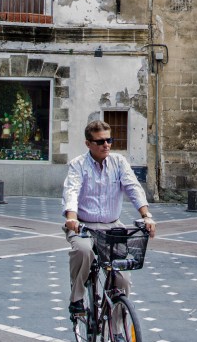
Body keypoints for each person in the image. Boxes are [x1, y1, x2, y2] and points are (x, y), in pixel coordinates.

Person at [62, 119, 156, 316]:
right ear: (88, 144)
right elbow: (72, 190)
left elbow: (133, 187)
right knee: (83, 251)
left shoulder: (118, 162)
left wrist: (146, 215)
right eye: (100, 141)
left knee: (121, 280)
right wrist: (71, 218)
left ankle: (117, 331)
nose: (106, 145)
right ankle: (77, 299)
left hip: (112, 226)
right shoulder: (78, 165)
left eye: (109, 140)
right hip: (83, 226)